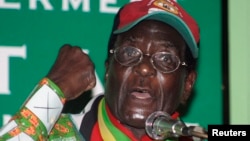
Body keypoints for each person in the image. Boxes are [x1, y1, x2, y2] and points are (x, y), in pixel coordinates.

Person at [0, 0, 201, 140]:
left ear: (187, 85)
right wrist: (52, 90)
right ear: (108, 70)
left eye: (166, 58)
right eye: (130, 52)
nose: (145, 68)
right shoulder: (53, 136)